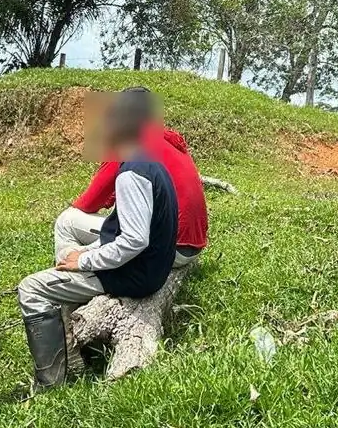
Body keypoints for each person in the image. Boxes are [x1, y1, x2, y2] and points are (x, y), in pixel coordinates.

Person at [18, 88, 179, 390]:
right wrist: (83, 252)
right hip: (149, 267)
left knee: (31, 289)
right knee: (68, 258)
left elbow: (133, 241)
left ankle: (53, 380)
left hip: (135, 273)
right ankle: (68, 333)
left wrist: (85, 260)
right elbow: (122, 230)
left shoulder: (131, 174)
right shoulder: (150, 164)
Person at [55, 105, 207, 270]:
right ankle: (85, 260)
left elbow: (90, 202)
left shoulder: (127, 144)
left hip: (167, 249)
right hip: (193, 246)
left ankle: (67, 272)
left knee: (67, 221)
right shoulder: (169, 142)